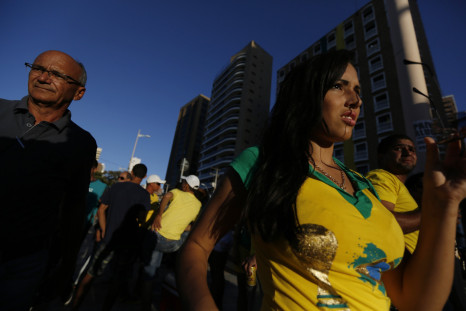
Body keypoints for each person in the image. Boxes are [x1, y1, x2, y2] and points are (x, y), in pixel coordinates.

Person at [176, 49, 466, 311]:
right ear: (305, 96)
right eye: (338, 86)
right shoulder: (263, 163)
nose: (355, 100)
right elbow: (197, 247)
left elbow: (416, 301)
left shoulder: (363, 186)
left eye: (357, 90)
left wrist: (445, 203)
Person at [0, 50, 96, 310]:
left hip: (22, 264)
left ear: (79, 93)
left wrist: (66, 266)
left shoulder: (80, 143)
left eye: (57, 74)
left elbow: (74, 208)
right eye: (37, 68)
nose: (43, 77)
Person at [71, 163, 151, 310]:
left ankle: (75, 306)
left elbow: (101, 210)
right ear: (145, 177)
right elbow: (142, 219)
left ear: (132, 172)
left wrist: (104, 229)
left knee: (91, 274)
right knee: (117, 280)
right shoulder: (145, 195)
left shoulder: (116, 187)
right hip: (126, 244)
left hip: (108, 240)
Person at [141, 175, 202, 311]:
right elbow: (191, 226)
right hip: (174, 244)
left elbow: (167, 196)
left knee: (149, 272)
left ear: (187, 186)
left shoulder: (178, 192)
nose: (181, 183)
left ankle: (145, 304)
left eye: (183, 182)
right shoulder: (198, 204)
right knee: (161, 268)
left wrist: (159, 215)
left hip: (158, 237)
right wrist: (179, 226)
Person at [366, 134, 421, 254]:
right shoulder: (382, 177)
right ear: (381, 157)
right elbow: (382, 222)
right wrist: (433, 212)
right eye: (398, 148)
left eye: (412, 149)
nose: (408, 153)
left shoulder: (400, 186)